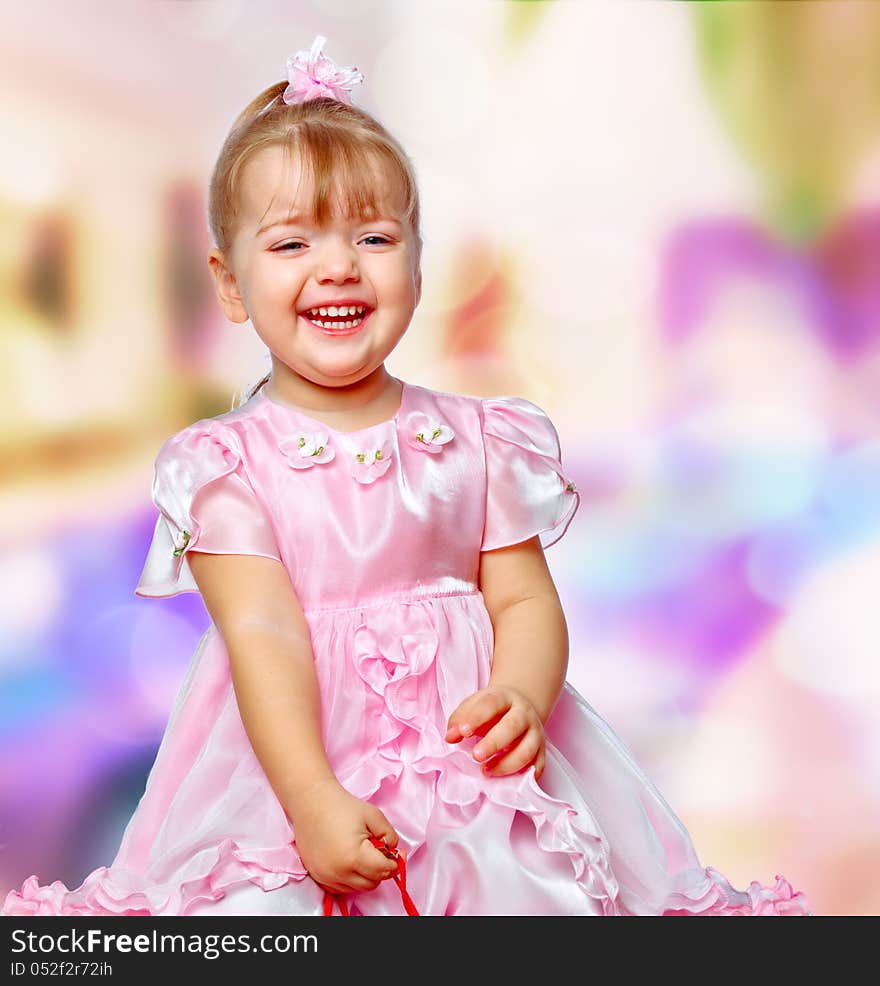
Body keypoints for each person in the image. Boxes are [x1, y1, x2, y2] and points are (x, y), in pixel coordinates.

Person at [3, 36, 812, 917]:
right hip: (291, 769)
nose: (339, 264)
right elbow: (263, 633)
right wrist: (311, 802)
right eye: (290, 243)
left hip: (474, 782)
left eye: (375, 236)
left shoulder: (479, 440)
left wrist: (521, 693)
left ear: (418, 264)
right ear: (229, 283)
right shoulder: (227, 466)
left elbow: (524, 601)